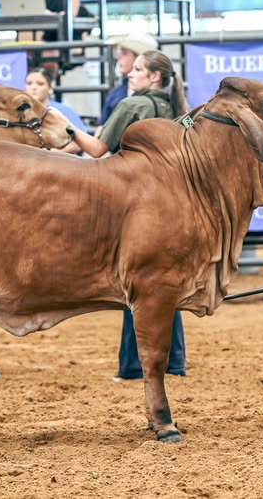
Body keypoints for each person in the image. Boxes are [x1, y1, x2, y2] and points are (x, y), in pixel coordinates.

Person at [66, 50, 188, 380]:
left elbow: (96, 149)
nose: (129, 75)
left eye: (137, 70)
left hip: (132, 203)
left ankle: (133, 366)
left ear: (154, 78)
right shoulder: (176, 111)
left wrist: (66, 127)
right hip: (169, 203)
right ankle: (174, 362)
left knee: (132, 284)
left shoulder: (133, 106)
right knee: (162, 284)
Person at [97, 33, 159, 134]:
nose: (118, 57)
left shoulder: (165, 92)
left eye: (124, 53)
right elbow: (102, 126)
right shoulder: (116, 92)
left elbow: (186, 120)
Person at [24, 67, 87, 131]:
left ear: (50, 87)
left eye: (40, 84)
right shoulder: (19, 112)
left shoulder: (63, 110)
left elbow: (82, 134)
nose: (33, 87)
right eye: (29, 83)